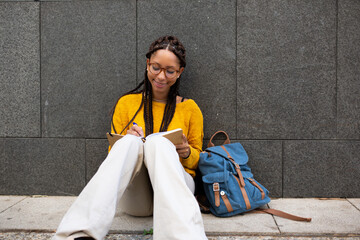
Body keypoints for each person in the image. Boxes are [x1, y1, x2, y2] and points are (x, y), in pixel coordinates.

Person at [53, 35, 208, 240]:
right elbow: (113, 160)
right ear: (147, 65)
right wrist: (129, 141)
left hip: (177, 187)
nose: (161, 76)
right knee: (129, 142)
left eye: (169, 71)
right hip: (138, 196)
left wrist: (187, 152)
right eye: (156, 68)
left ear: (179, 73)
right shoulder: (126, 104)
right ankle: (79, 233)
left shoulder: (189, 108)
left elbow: (198, 161)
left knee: (158, 143)